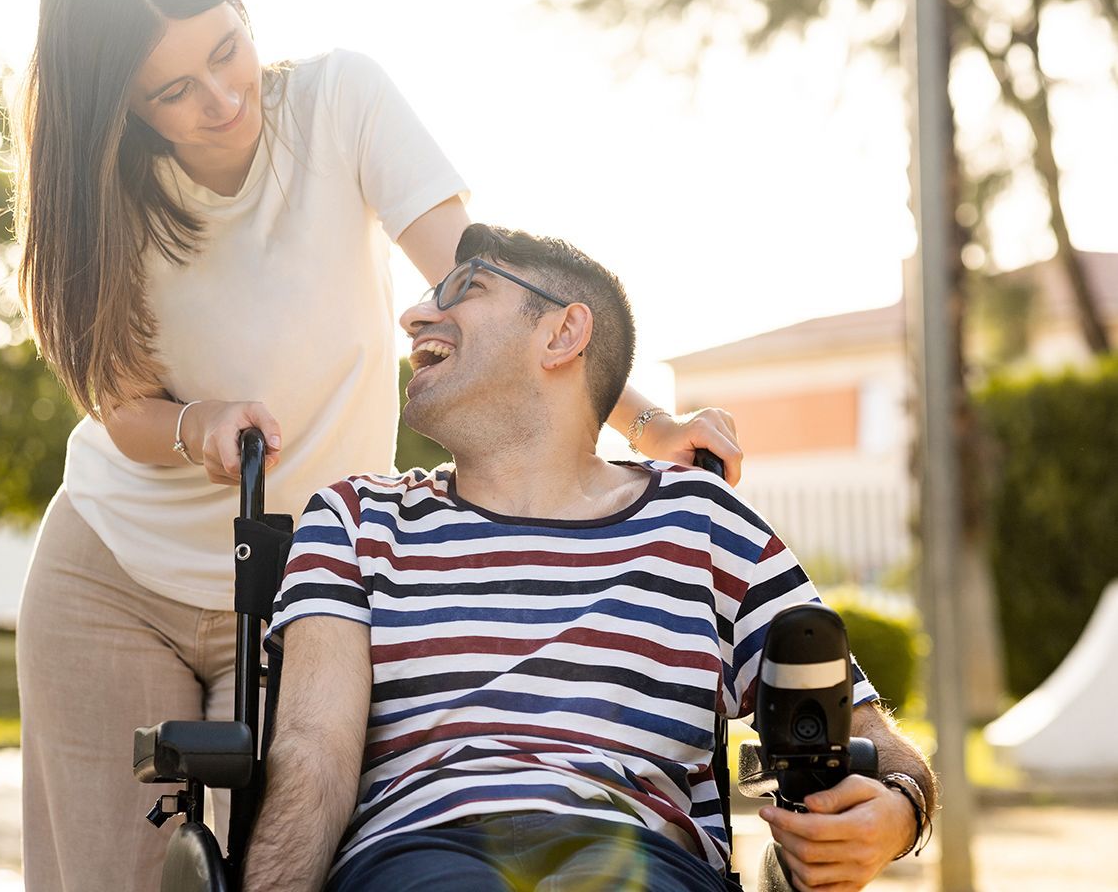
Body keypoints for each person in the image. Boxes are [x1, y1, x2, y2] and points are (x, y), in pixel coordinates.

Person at [11, 0, 744, 889]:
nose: (222, 99)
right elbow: (119, 403)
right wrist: (196, 422)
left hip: (300, 584)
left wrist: (648, 424)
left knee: (294, 855)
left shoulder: (341, 101)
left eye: (228, 49)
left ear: (242, 3)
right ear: (120, 106)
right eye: (173, 91)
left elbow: (484, 287)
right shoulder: (99, 192)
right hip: (110, 577)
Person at [245, 224, 937, 892]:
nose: (414, 314)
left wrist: (899, 810)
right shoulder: (355, 520)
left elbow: (869, 736)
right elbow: (313, 753)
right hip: (422, 849)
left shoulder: (702, 523)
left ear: (562, 334)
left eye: (467, 288)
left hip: (638, 854)